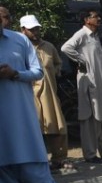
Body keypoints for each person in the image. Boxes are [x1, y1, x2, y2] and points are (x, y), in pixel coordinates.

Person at [0, 7, 64, 183]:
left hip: (22, 113)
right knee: (2, 163)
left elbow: (37, 72)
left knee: (33, 162)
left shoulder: (20, 41)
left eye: (4, 17)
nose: (3, 20)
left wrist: (15, 74)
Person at [61, 8, 102, 163]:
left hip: (100, 81)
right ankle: (90, 154)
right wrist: (81, 60)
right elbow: (66, 47)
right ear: (86, 20)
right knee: (89, 119)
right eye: (95, 16)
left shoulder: (95, 36)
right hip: (89, 82)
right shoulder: (82, 34)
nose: (98, 19)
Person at [19, 14, 69, 171]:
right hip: (29, 95)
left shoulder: (48, 46)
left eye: (37, 29)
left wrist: (55, 71)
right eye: (31, 29)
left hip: (50, 94)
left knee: (58, 126)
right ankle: (37, 161)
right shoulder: (19, 47)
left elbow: (58, 63)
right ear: (23, 29)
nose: (35, 32)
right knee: (33, 129)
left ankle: (59, 159)